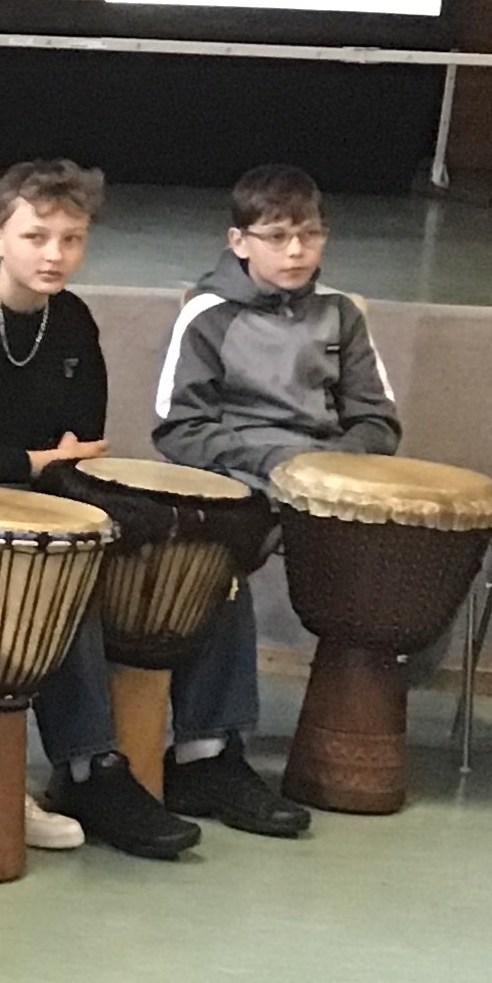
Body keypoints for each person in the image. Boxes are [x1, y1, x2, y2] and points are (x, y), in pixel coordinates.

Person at [0, 159, 200, 862]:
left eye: (72, 239)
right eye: (36, 236)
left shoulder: (73, 322)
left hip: (27, 505)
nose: (54, 254)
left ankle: (207, 753)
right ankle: (90, 767)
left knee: (180, 538)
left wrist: (33, 465)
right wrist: (28, 462)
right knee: (63, 572)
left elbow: (83, 446)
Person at [149, 163, 401, 837]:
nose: (296, 252)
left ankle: (355, 738)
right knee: (218, 569)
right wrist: (275, 463)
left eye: (310, 235)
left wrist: (337, 467)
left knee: (410, 549)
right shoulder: (208, 315)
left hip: (328, 474)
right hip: (244, 475)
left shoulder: (341, 313)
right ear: (239, 242)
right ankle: (207, 751)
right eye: (279, 236)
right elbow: (180, 429)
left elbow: (378, 419)